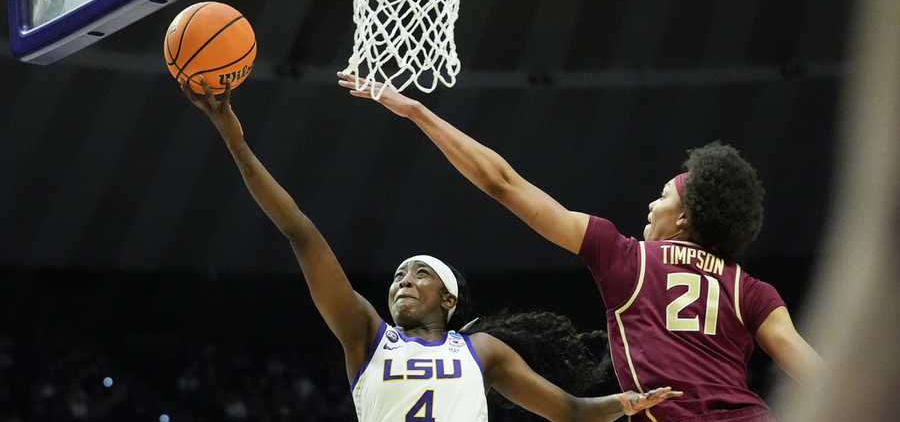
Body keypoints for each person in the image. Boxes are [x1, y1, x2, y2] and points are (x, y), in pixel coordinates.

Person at [181, 77, 680, 422]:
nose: (403, 281)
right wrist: (236, 142)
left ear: (448, 299)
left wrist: (623, 404)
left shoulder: (481, 351)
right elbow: (300, 231)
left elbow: (568, 411)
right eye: (399, 275)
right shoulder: (366, 335)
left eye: (420, 273)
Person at [338, 74, 824, 422]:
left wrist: (417, 111)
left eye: (663, 196)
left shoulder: (627, 258)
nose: (651, 205)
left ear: (685, 217)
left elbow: (503, 183)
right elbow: (813, 370)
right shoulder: (751, 290)